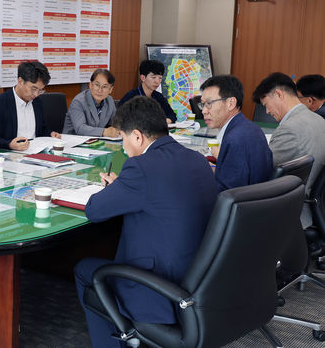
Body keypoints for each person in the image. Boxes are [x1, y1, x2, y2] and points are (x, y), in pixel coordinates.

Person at [74, 96, 218, 348]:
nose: (123, 147)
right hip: (201, 282)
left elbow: (94, 210)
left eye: (123, 138)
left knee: (84, 269)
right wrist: (124, 187)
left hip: (159, 290)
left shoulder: (140, 167)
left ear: (138, 137)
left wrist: (117, 187)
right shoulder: (197, 159)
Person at [253, 72, 325, 226]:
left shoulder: (289, 129)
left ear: (279, 94)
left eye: (266, 105)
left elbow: (262, 174)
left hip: (293, 213)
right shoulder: (319, 120)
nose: (267, 111)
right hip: (316, 208)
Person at [200, 75, 272, 191]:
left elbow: (228, 193)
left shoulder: (235, 139)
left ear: (231, 103)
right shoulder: (249, 127)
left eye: (209, 103)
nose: (204, 111)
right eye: (202, 104)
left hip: (243, 200)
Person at [0, 60, 61, 150]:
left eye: (40, 90)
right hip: (11, 153)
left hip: (36, 151)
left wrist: (50, 133)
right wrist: (9, 144)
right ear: (20, 81)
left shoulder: (37, 102)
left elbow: (41, 129)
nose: (36, 94)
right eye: (33, 89)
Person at [62, 68, 119, 137]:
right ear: (91, 85)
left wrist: (116, 129)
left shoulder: (109, 101)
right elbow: (80, 129)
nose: (100, 90)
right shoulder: (78, 102)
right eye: (97, 85)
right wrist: (104, 132)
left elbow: (115, 124)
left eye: (105, 87)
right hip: (73, 140)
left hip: (96, 140)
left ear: (110, 90)